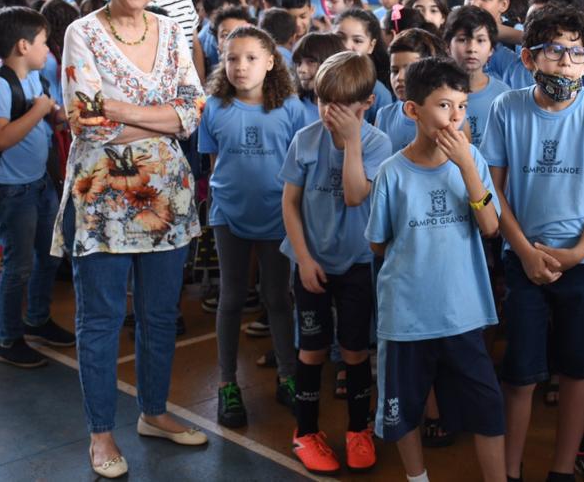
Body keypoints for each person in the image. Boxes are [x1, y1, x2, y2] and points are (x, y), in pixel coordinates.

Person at [53, 0, 208, 479]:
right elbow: (87, 123)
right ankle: (100, 434)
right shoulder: (81, 34)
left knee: (161, 314)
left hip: (167, 194)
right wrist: (152, 119)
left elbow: (191, 111)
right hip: (102, 200)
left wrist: (121, 110)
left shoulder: (170, 33)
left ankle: (154, 411)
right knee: (99, 318)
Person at [480, 3, 584, 482]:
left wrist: (577, 252)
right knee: (521, 374)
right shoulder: (508, 107)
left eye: (576, 54)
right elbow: (493, 190)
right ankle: (509, 470)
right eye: (553, 52)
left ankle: (564, 470)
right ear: (528, 58)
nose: (566, 63)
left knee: (580, 372)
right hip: (523, 260)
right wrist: (525, 251)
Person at [367, 58, 506, 482]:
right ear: (413, 110)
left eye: (462, 106)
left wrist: (466, 166)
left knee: (487, 406)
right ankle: (417, 478)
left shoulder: (473, 160)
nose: (456, 117)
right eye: (444, 105)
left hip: (462, 311)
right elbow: (377, 242)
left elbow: (490, 227)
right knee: (403, 409)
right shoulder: (392, 172)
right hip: (407, 317)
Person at [280, 51, 392, 474]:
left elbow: (354, 194)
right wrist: (303, 259)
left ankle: (358, 430)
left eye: (341, 106)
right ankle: (305, 433)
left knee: (354, 352)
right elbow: (290, 204)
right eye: (324, 102)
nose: (329, 113)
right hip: (311, 262)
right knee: (311, 351)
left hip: (358, 264)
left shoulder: (379, 144)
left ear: (366, 104)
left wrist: (353, 142)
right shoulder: (305, 139)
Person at [199, 26, 304, 427]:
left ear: (271, 62)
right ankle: (228, 383)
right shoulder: (213, 107)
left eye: (250, 58)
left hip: (278, 218)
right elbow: (215, 167)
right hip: (229, 215)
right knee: (231, 297)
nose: (240, 67)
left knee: (277, 296)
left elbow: (299, 170)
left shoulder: (292, 109)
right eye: (231, 58)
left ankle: (288, 375)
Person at [0, 6, 74, 367]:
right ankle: (8, 339)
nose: (47, 50)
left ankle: (37, 318)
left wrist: (54, 113)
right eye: (42, 43)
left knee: (49, 254)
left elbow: (40, 111)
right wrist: (39, 110)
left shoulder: (33, 78)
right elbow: (0, 137)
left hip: (40, 183)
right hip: (13, 190)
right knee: (18, 265)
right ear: (22, 45)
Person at [443, 6, 511, 147]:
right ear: (448, 47)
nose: (472, 48)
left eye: (480, 40)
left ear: (491, 49)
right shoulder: (437, 94)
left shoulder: (503, 95)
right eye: (462, 40)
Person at [374, 28, 446, 152]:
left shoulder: (450, 118)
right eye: (394, 71)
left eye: (409, 69)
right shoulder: (384, 116)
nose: (400, 78)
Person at [333, 8, 393, 124]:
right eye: (340, 38)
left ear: (371, 45)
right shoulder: (316, 79)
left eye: (357, 41)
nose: (347, 46)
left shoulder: (378, 93)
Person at [291, 32, 347, 125]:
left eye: (311, 61)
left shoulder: (351, 108)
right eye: (299, 62)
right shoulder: (292, 107)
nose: (301, 69)